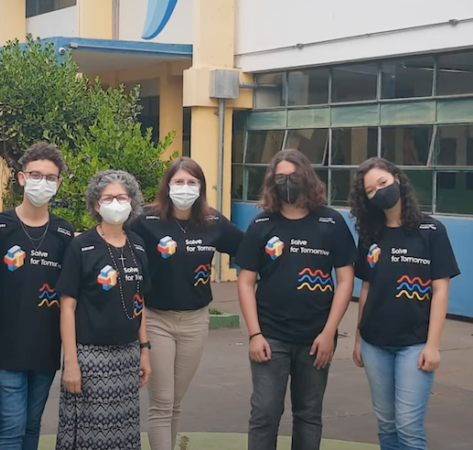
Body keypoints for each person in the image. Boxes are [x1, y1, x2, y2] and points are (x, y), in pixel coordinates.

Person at [235, 149, 356, 450]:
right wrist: (254, 334)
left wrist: (329, 333)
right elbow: (246, 281)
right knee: (264, 412)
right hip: (270, 336)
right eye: (280, 178)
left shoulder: (331, 222)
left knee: (308, 414)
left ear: (307, 177)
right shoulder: (262, 224)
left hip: (316, 337)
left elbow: (345, 281)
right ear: (271, 183)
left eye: (293, 176)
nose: (287, 182)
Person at [130, 156, 244, 450]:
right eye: (178, 182)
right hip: (156, 319)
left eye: (192, 182)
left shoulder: (213, 221)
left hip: (195, 321)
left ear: (201, 187)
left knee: (175, 401)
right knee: (162, 402)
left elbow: (248, 247)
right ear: (167, 185)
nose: (185, 188)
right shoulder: (146, 221)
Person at [348, 157, 460, 450]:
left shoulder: (431, 231)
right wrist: (359, 339)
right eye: (370, 191)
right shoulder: (370, 235)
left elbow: (440, 291)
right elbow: (367, 288)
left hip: (414, 345)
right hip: (375, 344)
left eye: (382, 184)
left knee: (409, 428)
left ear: (397, 178)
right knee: (386, 426)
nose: (378, 193)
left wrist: (433, 345)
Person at [0, 143, 74, 450]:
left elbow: (68, 297)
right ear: (22, 178)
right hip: (5, 347)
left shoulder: (64, 233)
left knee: (31, 427)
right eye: (36, 175)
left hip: (45, 349)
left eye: (50, 177)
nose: (43, 183)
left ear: (59, 183)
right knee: (11, 429)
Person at [55, 169, 151, 450]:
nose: (116, 203)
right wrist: (71, 362)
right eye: (108, 198)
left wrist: (144, 349)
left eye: (122, 197)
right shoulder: (81, 246)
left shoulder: (138, 246)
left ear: (132, 202)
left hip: (128, 355)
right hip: (90, 357)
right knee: (89, 435)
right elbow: (67, 307)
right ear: (96, 204)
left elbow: (139, 301)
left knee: (124, 433)